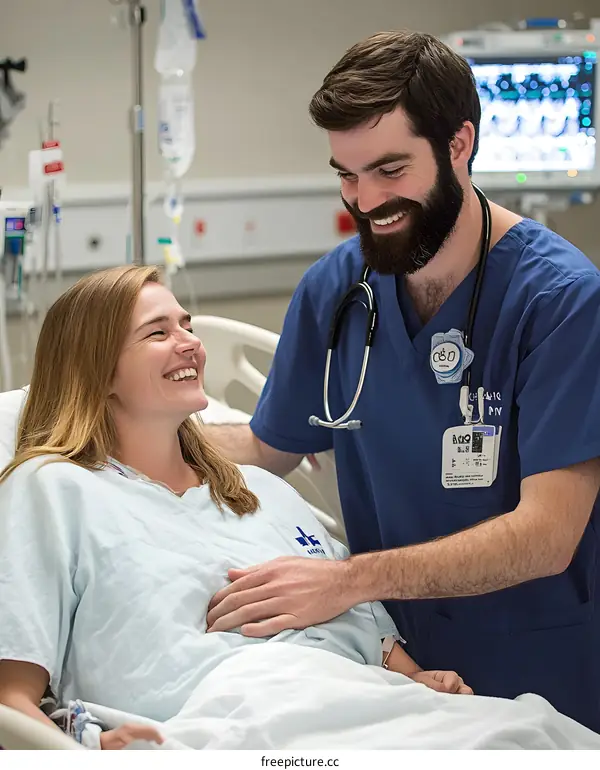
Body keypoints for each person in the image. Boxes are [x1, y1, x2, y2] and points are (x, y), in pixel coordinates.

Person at [202, 30, 600, 733]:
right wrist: (115, 430)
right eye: (347, 175)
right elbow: (269, 447)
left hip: (538, 676)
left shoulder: (560, 302)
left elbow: (547, 534)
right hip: (393, 673)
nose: (366, 201)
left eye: (390, 170)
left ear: (459, 144)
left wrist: (347, 582)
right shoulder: (336, 291)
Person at [0, 266, 473, 751]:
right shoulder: (52, 490)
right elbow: (12, 702)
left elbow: (371, 632)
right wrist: (87, 751)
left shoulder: (261, 491)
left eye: (187, 326)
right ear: (97, 371)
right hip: (231, 727)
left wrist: (420, 680)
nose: (190, 343)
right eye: (158, 333)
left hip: (369, 706)